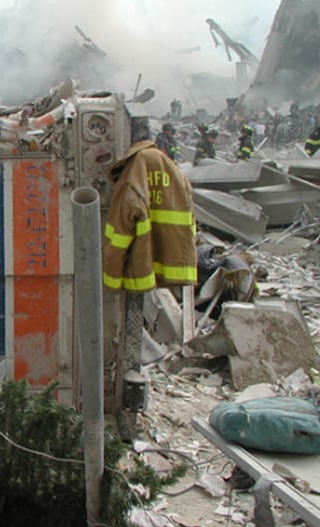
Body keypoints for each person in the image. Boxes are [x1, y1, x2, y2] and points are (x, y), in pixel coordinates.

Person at [103, 116, 197, 439]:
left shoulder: (135, 171)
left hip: (139, 268)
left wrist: (109, 277)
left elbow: (120, 230)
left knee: (130, 333)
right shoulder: (173, 168)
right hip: (170, 263)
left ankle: (126, 416)